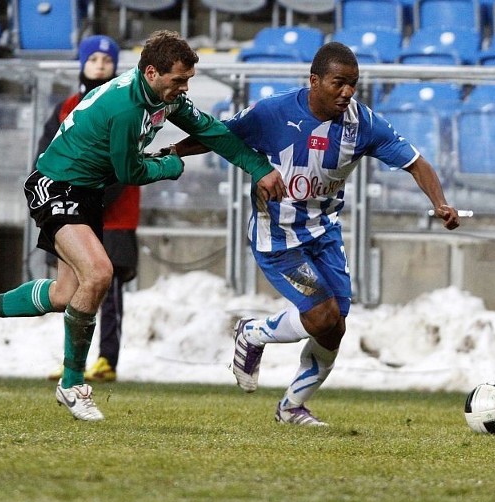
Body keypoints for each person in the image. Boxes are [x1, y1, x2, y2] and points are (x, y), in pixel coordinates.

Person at [0, 30, 285, 422]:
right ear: (151, 72)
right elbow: (128, 170)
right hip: (55, 184)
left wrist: (259, 168)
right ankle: (72, 383)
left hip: (85, 191)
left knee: (66, 294)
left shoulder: (158, 96)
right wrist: (169, 165)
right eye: (179, 80)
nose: (185, 88)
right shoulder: (126, 108)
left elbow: (212, 131)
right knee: (98, 274)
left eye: (188, 81)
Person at [175, 41, 461, 426]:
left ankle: (292, 407)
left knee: (335, 327)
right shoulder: (272, 112)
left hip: (324, 233)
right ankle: (253, 333)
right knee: (322, 316)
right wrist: (171, 152)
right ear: (314, 80)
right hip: (276, 236)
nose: (347, 92)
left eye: (353, 84)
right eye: (338, 83)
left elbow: (416, 162)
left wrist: (440, 203)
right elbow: (219, 135)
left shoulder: (364, 124)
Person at [36, 35, 138, 383]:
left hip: (114, 216)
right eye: (92, 58)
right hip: (72, 213)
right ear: (82, 63)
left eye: (106, 59)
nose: (99, 64)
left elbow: (126, 165)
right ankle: (73, 361)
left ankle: (107, 358)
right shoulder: (66, 107)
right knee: (69, 288)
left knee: (107, 291)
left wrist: (89, 196)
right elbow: (48, 155)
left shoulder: (127, 106)